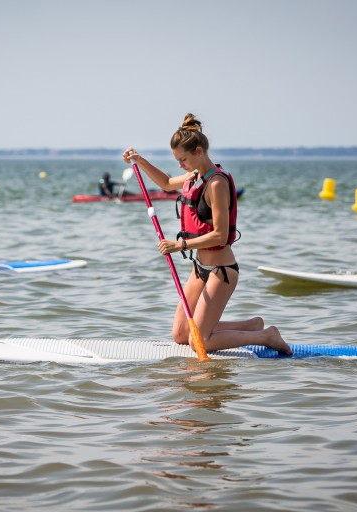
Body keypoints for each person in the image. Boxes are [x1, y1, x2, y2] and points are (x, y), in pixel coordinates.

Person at [122, 113, 291, 354]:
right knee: (181, 334)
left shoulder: (216, 183)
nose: (180, 165)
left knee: (200, 342)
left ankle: (266, 336)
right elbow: (167, 183)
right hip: (200, 269)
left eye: (183, 159)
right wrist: (139, 160)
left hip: (222, 272)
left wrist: (179, 246)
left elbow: (221, 236)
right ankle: (251, 325)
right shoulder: (193, 177)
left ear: (199, 152)